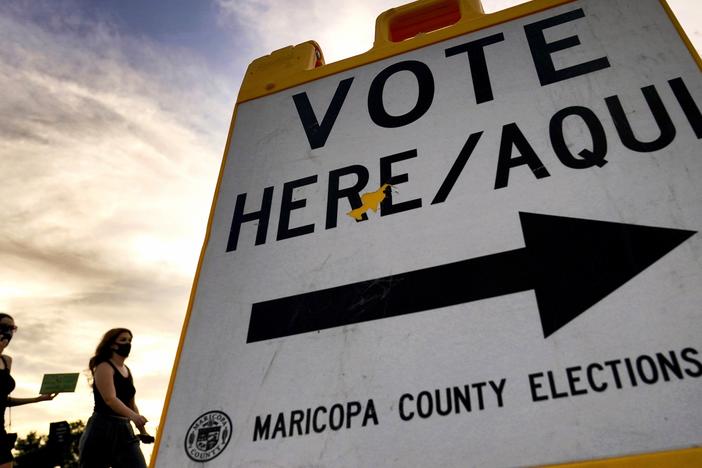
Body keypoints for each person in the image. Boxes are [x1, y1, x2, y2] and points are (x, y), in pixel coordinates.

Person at [79, 328, 153, 468]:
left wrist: (142, 431)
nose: (128, 343)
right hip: (102, 428)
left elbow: (131, 403)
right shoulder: (104, 367)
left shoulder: (127, 370)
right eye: (123, 340)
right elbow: (110, 399)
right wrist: (133, 416)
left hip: (124, 429)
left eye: (130, 340)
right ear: (112, 344)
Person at [0, 313, 57, 468]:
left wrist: (38, 399)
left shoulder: (6, 361)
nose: (8, 333)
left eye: (12, 329)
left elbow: (4, 400)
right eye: (4, 327)